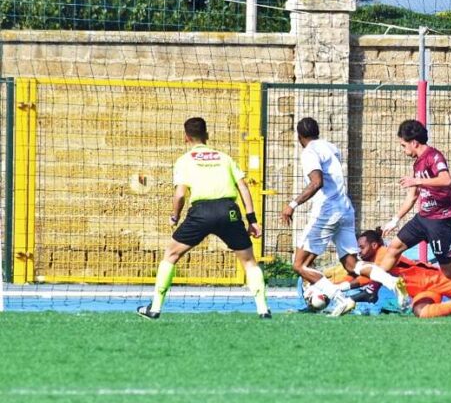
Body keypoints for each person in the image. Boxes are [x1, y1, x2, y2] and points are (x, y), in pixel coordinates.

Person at [362, 120, 451, 317]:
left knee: (450, 271)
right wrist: (395, 219)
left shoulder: (434, 156)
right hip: (423, 218)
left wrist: (417, 180)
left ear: (414, 142)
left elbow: (446, 180)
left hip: (441, 221)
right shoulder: (417, 163)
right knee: (394, 248)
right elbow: (413, 196)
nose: (402, 149)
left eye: (403, 145)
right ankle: (372, 289)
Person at [137, 117, 270, 319]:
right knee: (249, 261)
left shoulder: (184, 161)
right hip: (228, 211)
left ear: (186, 137)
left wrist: (175, 216)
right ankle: (263, 310)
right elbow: (243, 187)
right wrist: (252, 221)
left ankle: (154, 308)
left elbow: (180, 195)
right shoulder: (225, 158)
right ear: (207, 135)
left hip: (201, 213)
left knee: (171, 255)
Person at [279, 117, 395, 317]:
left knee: (299, 265)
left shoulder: (309, 152)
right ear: (317, 132)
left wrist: (292, 204)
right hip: (345, 209)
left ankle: (339, 299)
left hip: (327, 211)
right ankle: (391, 281)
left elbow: (317, 182)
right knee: (352, 265)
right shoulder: (330, 147)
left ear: (299, 136)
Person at [345, 229, 451, 318]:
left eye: (362, 247)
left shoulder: (383, 253)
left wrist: (347, 291)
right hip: (422, 290)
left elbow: (371, 278)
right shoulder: (373, 263)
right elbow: (366, 279)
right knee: (420, 311)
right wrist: (341, 287)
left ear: (374, 245)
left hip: (435, 280)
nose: (359, 251)